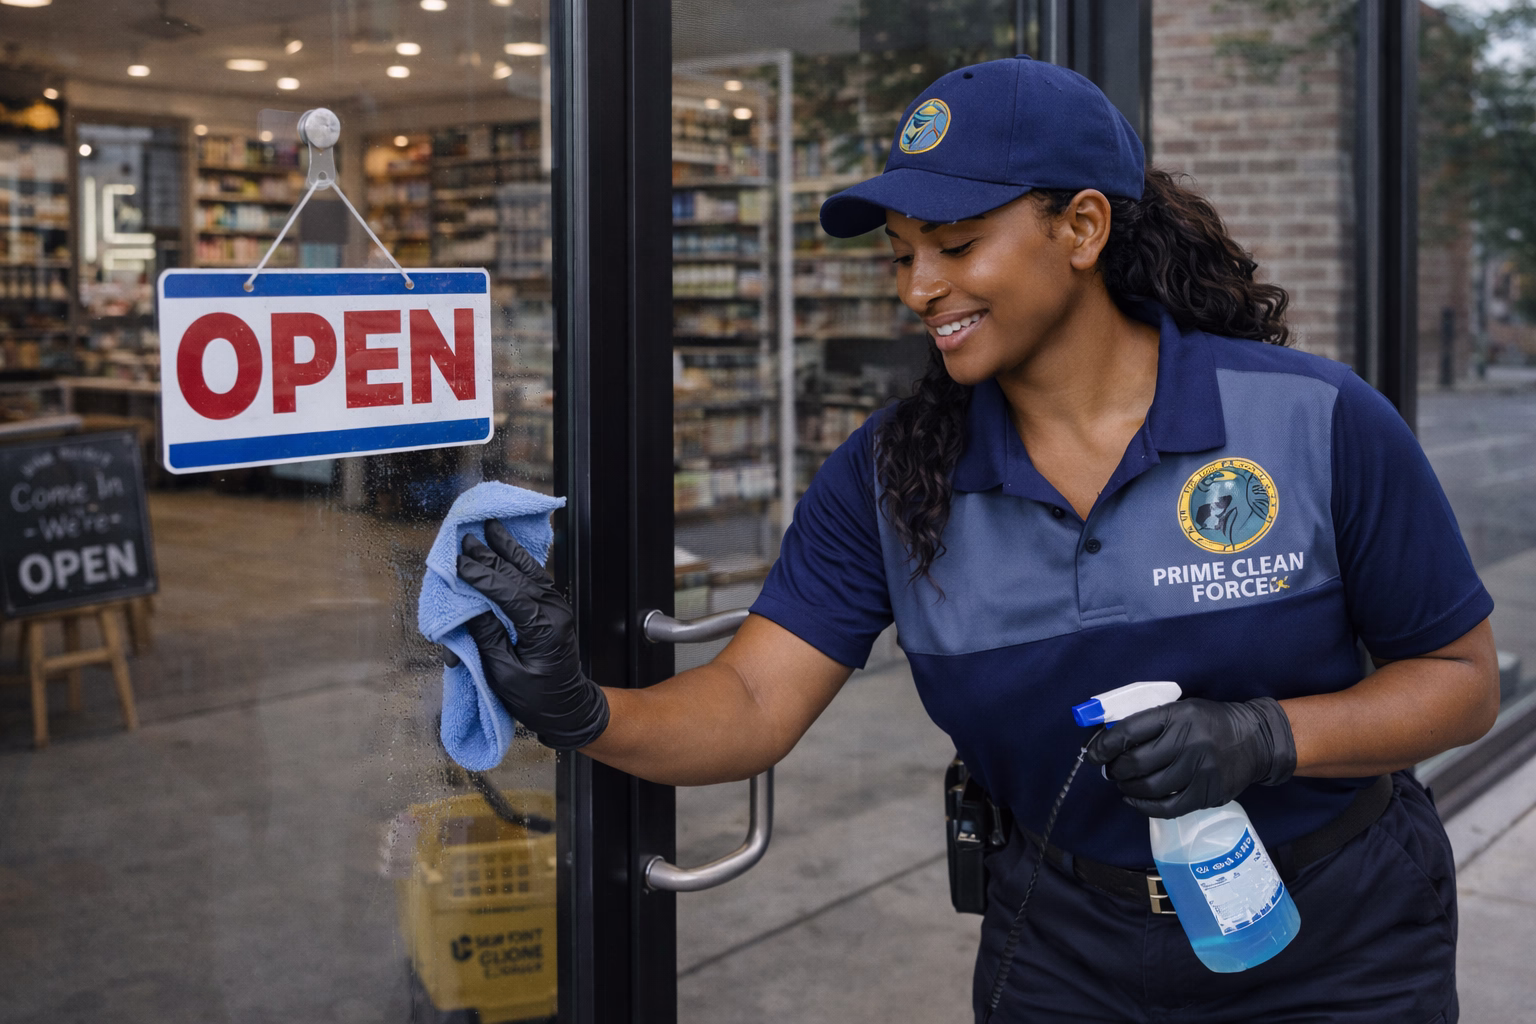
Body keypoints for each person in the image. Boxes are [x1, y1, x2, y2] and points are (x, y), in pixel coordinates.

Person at [454, 55, 1499, 1023]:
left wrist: (1264, 737)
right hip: (1063, 950)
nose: (918, 288)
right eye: (905, 256)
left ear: (1081, 228)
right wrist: (583, 710)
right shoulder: (891, 475)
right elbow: (752, 702)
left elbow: (1461, 679)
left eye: (956, 246)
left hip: (1340, 939)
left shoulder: (1313, 421)